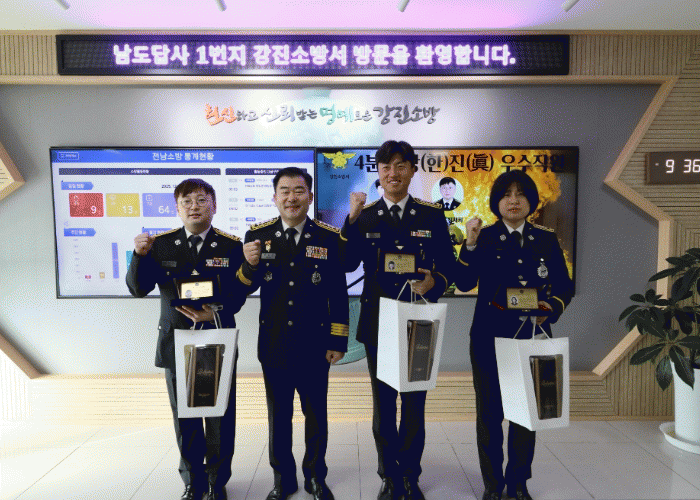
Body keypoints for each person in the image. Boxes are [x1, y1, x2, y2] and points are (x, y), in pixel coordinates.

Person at [340, 140, 456, 500]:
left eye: (401, 166)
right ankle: (389, 475)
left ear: (411, 171)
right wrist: (350, 221)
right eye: (387, 166)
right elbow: (346, 262)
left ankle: (410, 475)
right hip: (379, 323)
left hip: (418, 321)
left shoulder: (431, 215)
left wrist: (435, 282)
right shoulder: (365, 216)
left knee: (415, 405)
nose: (394, 173)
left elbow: (448, 266)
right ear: (378, 171)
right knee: (384, 405)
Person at [454, 170, 574, 500]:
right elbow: (463, 282)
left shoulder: (546, 239)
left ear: (531, 202)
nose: (514, 200)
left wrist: (553, 306)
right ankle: (493, 484)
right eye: (507, 194)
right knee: (490, 416)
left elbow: (564, 286)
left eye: (520, 194)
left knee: (525, 415)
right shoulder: (483, 237)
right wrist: (470, 244)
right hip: (489, 339)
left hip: (532, 338)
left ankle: (518, 482)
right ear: (497, 202)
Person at [126, 178, 249, 500]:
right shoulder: (159, 245)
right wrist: (138, 255)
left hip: (216, 339)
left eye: (201, 200)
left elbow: (239, 293)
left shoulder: (231, 246)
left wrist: (215, 313)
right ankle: (193, 482)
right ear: (177, 208)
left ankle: (217, 483)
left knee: (219, 418)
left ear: (214, 206)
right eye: (187, 201)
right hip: (176, 342)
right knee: (185, 419)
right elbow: (138, 289)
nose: (194, 207)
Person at [237, 167, 349, 500]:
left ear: (310, 197)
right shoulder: (258, 236)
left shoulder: (328, 237)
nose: (291, 197)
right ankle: (283, 479)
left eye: (298, 190)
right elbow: (244, 288)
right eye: (284, 191)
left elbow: (338, 293)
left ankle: (315, 476)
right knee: (279, 417)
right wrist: (248, 265)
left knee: (316, 415)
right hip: (274, 344)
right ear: (275, 197)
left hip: (315, 345)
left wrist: (338, 340)